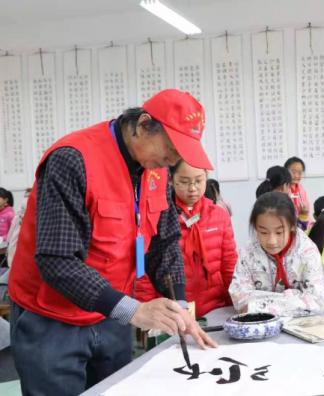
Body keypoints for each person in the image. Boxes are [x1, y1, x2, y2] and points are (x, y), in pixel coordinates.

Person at [8, 89, 217, 395]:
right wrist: (133, 311)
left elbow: (165, 242)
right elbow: (57, 260)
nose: (173, 160)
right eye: (171, 148)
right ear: (144, 125)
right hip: (51, 320)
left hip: (111, 315)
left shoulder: (155, 171)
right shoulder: (74, 159)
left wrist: (181, 304)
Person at [135, 161, 238, 318]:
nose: (192, 188)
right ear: (170, 179)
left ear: (206, 177)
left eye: (198, 180)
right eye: (184, 181)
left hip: (215, 309)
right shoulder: (158, 217)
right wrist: (149, 306)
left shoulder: (219, 215)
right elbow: (141, 267)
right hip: (172, 311)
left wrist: (234, 303)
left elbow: (229, 263)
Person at [228, 192, 324, 317]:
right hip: (260, 327)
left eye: (279, 232)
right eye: (264, 232)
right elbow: (239, 296)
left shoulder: (307, 251)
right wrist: (293, 295)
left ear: (292, 226)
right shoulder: (248, 252)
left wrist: (258, 304)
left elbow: (315, 301)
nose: (271, 241)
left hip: (301, 327)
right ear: (255, 227)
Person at [284, 156, 311, 229]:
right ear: (285, 171)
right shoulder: (283, 189)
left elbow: (307, 209)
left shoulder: (302, 189)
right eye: (293, 172)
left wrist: (305, 212)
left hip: (301, 224)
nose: (296, 175)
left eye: (299, 172)